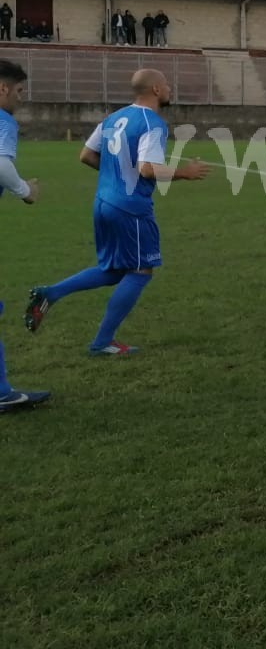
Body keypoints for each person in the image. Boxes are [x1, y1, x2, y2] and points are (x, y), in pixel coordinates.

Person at [25, 68, 210, 354]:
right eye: (167, 85)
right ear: (157, 90)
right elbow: (146, 169)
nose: (170, 90)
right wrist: (185, 173)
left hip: (103, 202)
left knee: (114, 270)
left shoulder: (113, 117)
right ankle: (101, 343)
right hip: (130, 208)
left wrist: (114, 174)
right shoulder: (154, 123)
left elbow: (86, 155)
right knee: (140, 271)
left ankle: (50, 293)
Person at [0, 59, 48, 411]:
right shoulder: (3, 121)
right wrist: (25, 190)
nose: (21, 98)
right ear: (3, 89)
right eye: (19, 91)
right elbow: (1, 164)